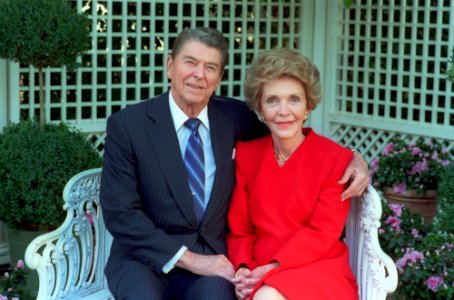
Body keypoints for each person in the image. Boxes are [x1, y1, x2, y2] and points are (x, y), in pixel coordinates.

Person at [100, 27, 366, 299]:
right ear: (170, 65)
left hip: (215, 261)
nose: (198, 74)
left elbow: (292, 138)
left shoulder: (235, 118)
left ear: (219, 77)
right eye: (190, 62)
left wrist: (356, 160)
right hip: (144, 261)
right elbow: (121, 213)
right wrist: (191, 259)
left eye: (210, 67)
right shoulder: (128, 126)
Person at [227, 48, 359, 300]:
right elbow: (240, 230)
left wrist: (271, 269)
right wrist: (243, 269)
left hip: (318, 268)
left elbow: (322, 233)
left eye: (294, 99)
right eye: (272, 100)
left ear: (308, 105)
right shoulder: (246, 155)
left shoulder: (335, 159)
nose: (283, 111)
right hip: (259, 266)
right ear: (260, 109)